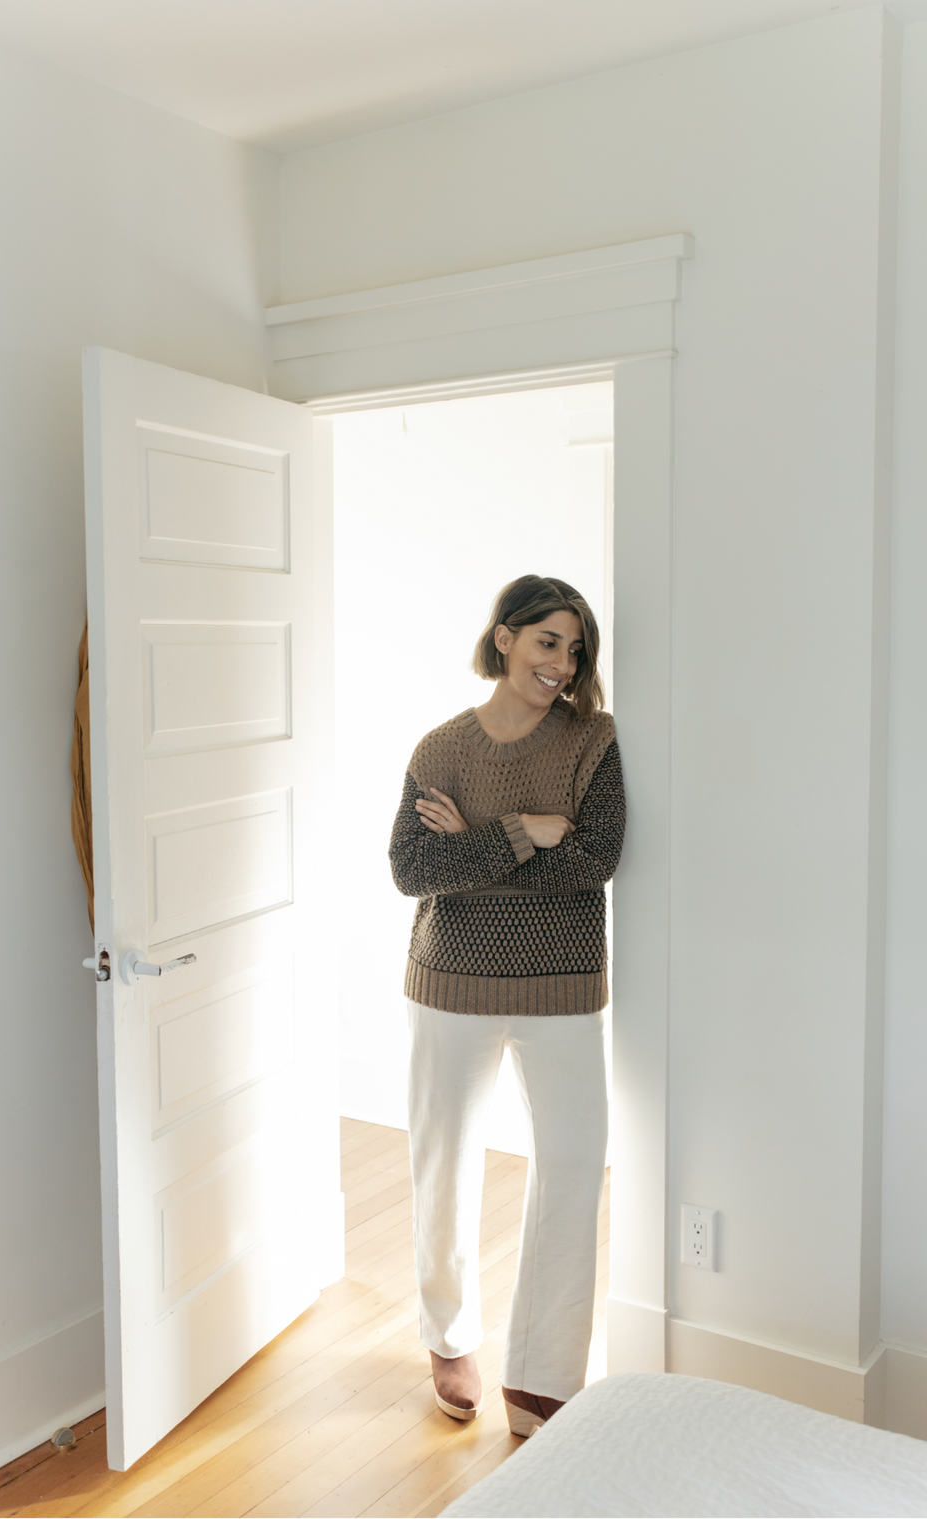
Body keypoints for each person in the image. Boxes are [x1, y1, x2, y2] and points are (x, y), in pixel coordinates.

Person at [388, 573, 626, 1438]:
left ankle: (544, 1375)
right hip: (451, 980)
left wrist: (475, 846)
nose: (561, 662)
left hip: (562, 985)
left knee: (571, 1161)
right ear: (504, 639)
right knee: (443, 1159)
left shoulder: (594, 742)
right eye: (546, 642)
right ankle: (449, 1335)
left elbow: (593, 859)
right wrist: (528, 829)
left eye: (573, 647)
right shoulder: (441, 747)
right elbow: (412, 870)